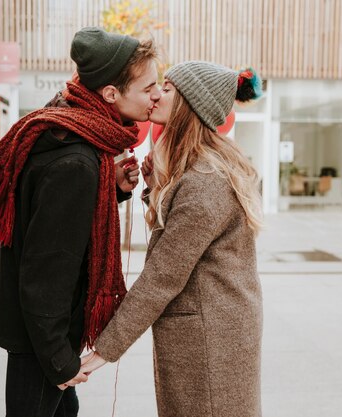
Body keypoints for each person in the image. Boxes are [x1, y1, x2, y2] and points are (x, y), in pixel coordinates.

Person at [0, 27, 160, 417]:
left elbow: (62, 222)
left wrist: (114, 187)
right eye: (148, 88)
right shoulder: (75, 161)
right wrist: (58, 360)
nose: (156, 95)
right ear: (110, 94)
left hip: (39, 331)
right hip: (39, 338)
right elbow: (47, 270)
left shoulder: (71, 128)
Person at [80, 61, 265, 417]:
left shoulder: (205, 181)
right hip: (213, 325)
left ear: (188, 104)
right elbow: (186, 234)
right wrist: (154, 189)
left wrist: (104, 350)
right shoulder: (200, 166)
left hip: (209, 337)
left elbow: (163, 275)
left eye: (167, 88)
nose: (156, 94)